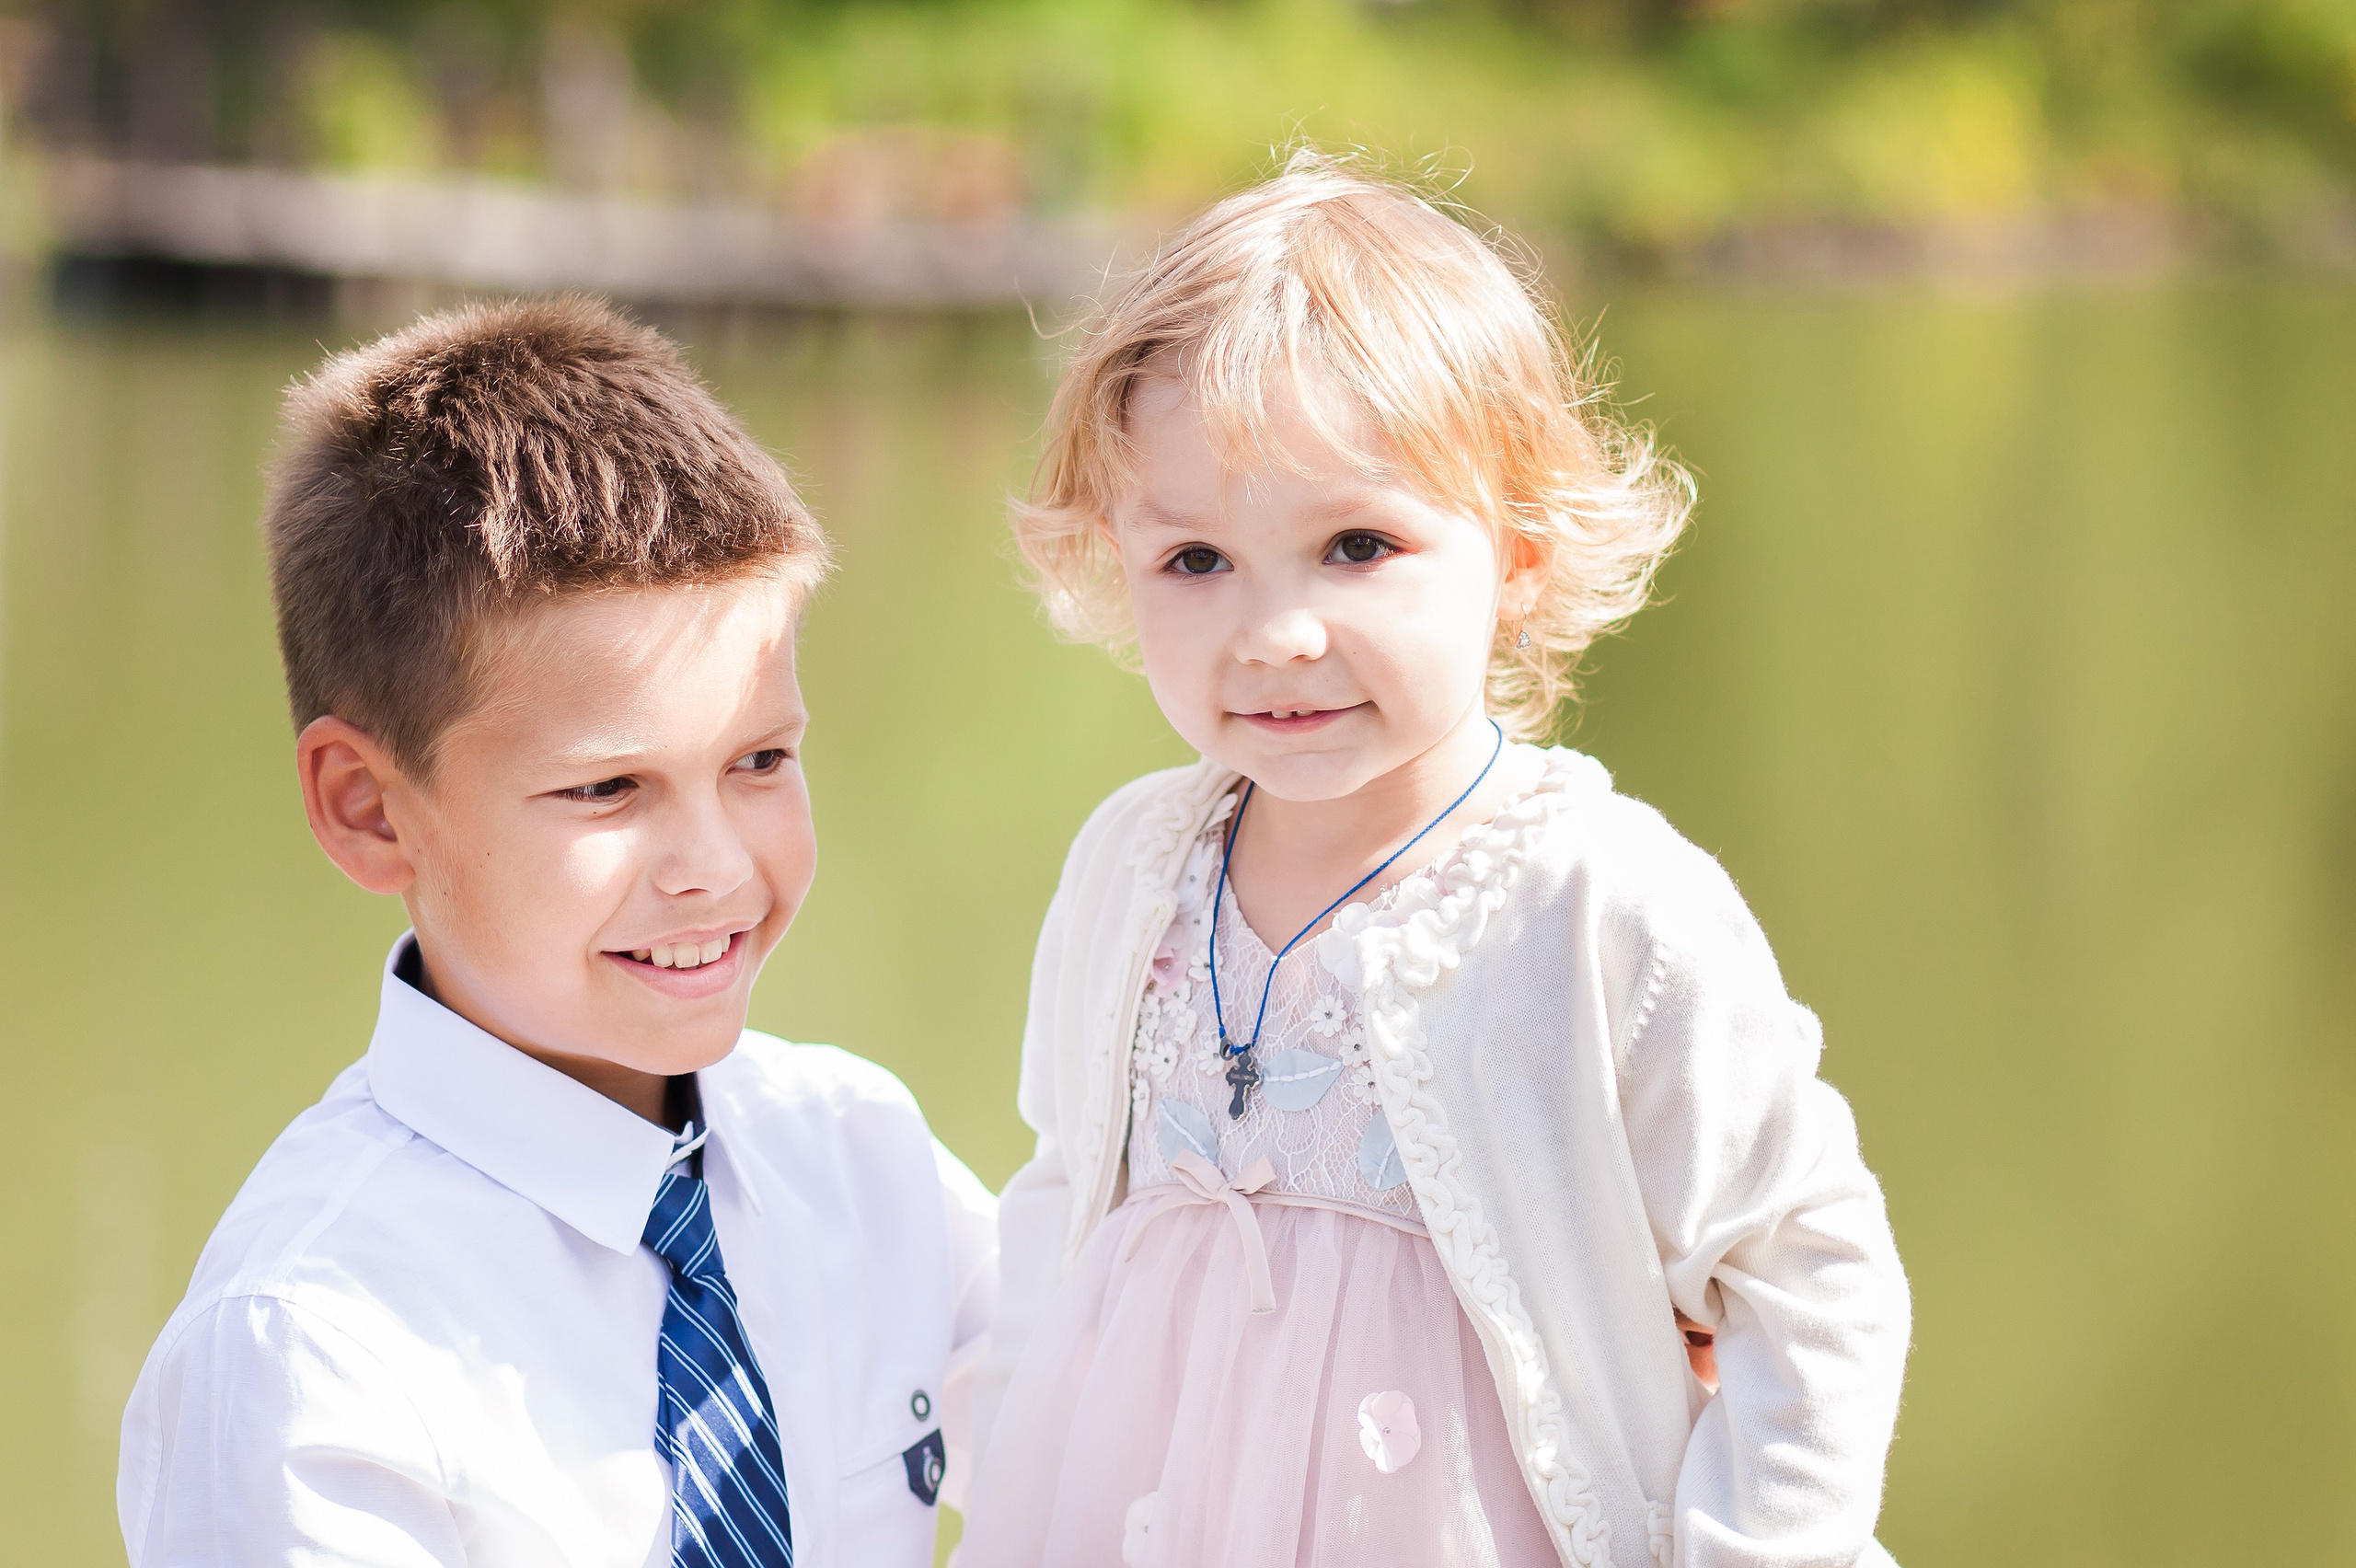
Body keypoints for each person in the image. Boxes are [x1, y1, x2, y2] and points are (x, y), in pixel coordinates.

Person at [957, 156, 1910, 1568]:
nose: (1275, 633)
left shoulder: (1592, 902)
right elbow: (1061, 1187)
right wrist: (1010, 1451)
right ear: (1117, 559)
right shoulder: (1133, 868)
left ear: (1516, 553)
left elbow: (1804, 1265)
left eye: (1357, 546)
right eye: (1198, 561)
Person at [117, 297, 996, 1568]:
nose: (713, 868)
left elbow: (1143, 1452)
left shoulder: (862, 1158)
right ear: (371, 811)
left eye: (760, 759)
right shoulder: (316, 1344)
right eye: (607, 788)